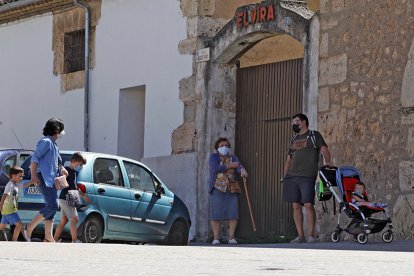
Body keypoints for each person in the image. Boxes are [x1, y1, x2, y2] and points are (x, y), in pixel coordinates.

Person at [282, 113, 332, 243]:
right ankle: (300, 235)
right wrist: (285, 175)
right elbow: (289, 159)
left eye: (297, 121)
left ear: (304, 122)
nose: (294, 124)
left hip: (307, 176)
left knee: (309, 204)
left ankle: (310, 235)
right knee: (296, 206)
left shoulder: (314, 135)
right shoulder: (293, 139)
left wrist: (327, 164)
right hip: (292, 176)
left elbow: (324, 150)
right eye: (293, 122)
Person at [24, 118, 68, 242]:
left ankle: (48, 237)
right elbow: (35, 158)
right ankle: (30, 226)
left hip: (51, 180)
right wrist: (33, 176)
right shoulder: (46, 142)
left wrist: (62, 169)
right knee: (53, 206)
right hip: (43, 178)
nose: (62, 132)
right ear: (56, 129)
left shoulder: (53, 144)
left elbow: (54, 161)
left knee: (51, 208)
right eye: (61, 129)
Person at [208, 137, 248, 245]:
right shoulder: (213, 157)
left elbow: (239, 166)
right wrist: (229, 166)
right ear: (217, 148)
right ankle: (216, 238)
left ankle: (231, 237)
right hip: (217, 188)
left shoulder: (233, 157)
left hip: (231, 188)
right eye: (221, 145)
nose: (224, 147)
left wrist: (243, 171)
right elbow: (215, 168)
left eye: (226, 145)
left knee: (233, 212)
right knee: (216, 214)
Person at [54, 152, 91, 243]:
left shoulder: (74, 172)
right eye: (80, 164)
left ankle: (54, 240)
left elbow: (75, 186)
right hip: (67, 197)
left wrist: (83, 196)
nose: (80, 166)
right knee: (75, 219)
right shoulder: (66, 170)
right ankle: (74, 240)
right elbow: (64, 183)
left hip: (71, 196)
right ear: (73, 161)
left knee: (64, 221)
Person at [0, 166, 31, 241]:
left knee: (1, 227)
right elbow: (4, 195)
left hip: (6, 210)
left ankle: (23, 239)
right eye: (20, 176)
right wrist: (1, 205)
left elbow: (24, 185)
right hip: (10, 210)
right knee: (19, 225)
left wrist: (32, 181)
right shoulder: (10, 185)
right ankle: (14, 241)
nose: (21, 178)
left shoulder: (15, 185)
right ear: (13, 175)